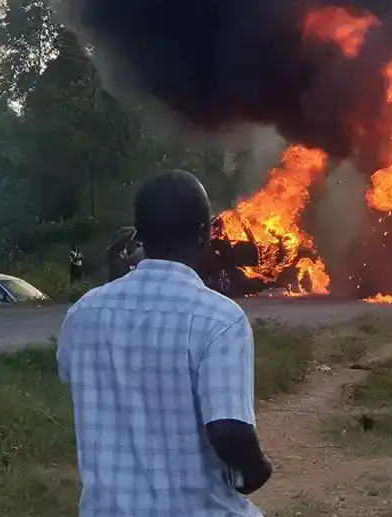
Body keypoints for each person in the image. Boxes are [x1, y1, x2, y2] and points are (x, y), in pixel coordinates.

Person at [57, 170, 272, 516]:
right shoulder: (219, 318)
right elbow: (229, 431)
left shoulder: (85, 312)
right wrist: (258, 469)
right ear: (205, 235)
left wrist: (112, 286)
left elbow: (77, 376)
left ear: (140, 235)